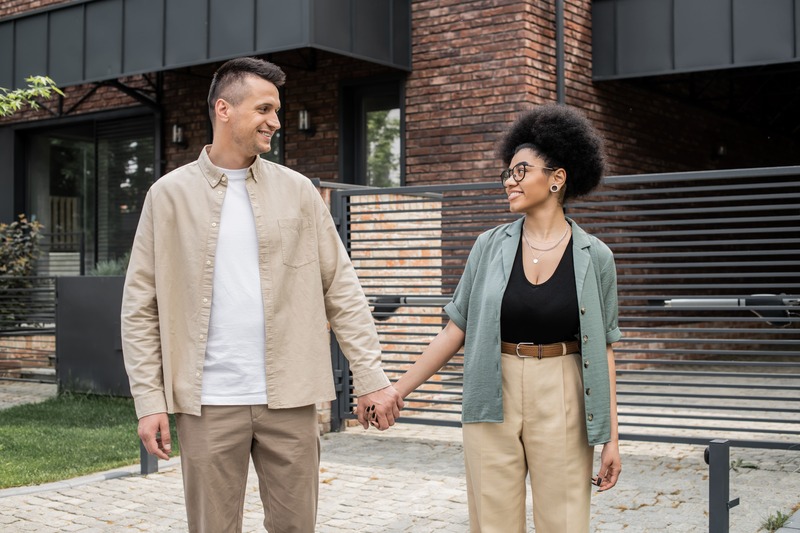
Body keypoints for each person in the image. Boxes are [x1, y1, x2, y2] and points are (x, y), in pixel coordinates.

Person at [121, 56, 402, 533]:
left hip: (289, 398)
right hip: (207, 403)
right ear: (224, 109)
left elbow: (342, 288)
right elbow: (140, 308)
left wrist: (371, 376)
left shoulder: (297, 191)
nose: (276, 121)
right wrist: (149, 401)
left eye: (278, 111)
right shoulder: (167, 196)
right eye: (265, 109)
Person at [393, 104, 622, 533]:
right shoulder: (487, 246)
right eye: (507, 173)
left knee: (566, 521)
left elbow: (604, 347)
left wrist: (611, 436)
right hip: (491, 391)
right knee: (493, 522)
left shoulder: (597, 257)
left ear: (557, 178)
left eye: (521, 171)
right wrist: (398, 389)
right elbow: (455, 328)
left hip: (564, 392)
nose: (509, 181)